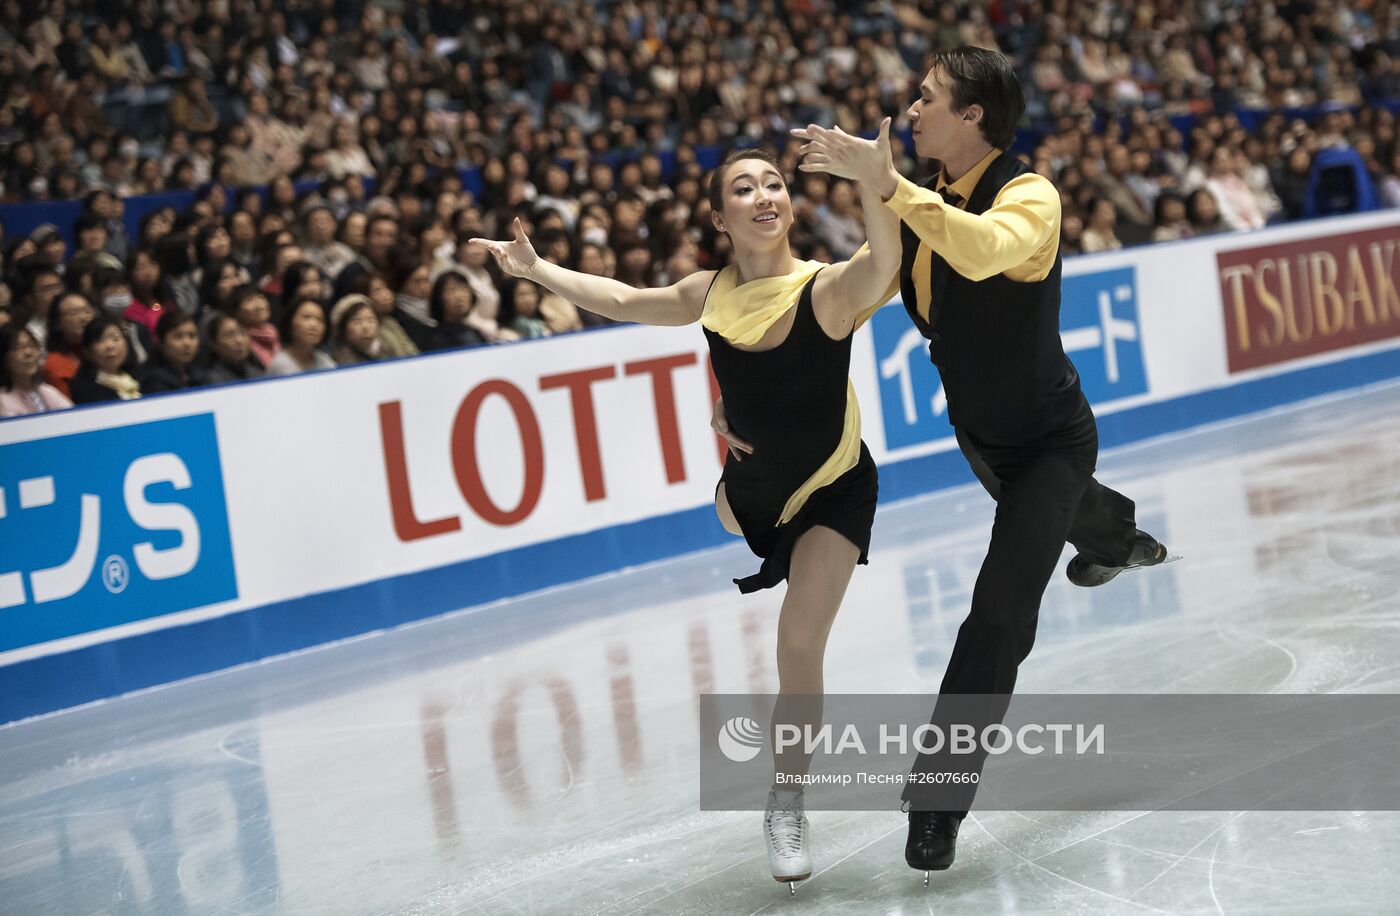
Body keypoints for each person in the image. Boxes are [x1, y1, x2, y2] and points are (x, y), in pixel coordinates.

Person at [474, 134, 902, 890]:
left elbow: (884, 265)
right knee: (733, 515)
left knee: (798, 643)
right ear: (719, 218)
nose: (765, 195)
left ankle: (786, 799)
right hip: (753, 491)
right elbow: (621, 299)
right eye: (745, 188)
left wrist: (875, 181)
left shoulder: (826, 287)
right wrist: (537, 270)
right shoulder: (708, 293)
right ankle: (739, 497)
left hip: (837, 483)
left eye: (774, 182)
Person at [798, 46, 1170, 876]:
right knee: (1071, 516)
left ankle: (936, 802)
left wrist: (888, 184)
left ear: (973, 117)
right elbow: (857, 287)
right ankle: (1117, 540)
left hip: (1050, 436)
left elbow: (983, 250)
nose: (912, 109)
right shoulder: (920, 205)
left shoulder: (1030, 195)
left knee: (999, 614)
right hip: (984, 441)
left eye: (927, 99)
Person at [0, 324, 72, 417]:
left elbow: (72, 418)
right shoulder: (2, 400)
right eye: (17, 348)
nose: (28, 353)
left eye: (31, 345)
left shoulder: (46, 390)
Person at [70, 316, 143, 404]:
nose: (110, 346)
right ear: (87, 351)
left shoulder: (141, 377)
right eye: (100, 340)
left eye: (116, 338)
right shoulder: (83, 389)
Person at [141, 309, 211, 394]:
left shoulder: (200, 373)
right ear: (161, 342)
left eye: (192, 336)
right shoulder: (153, 381)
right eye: (178, 336)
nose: (187, 343)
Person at [266, 296, 336, 376]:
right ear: (290, 322)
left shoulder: (325, 361)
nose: (314, 325)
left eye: (320, 319)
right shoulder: (280, 365)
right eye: (306, 317)